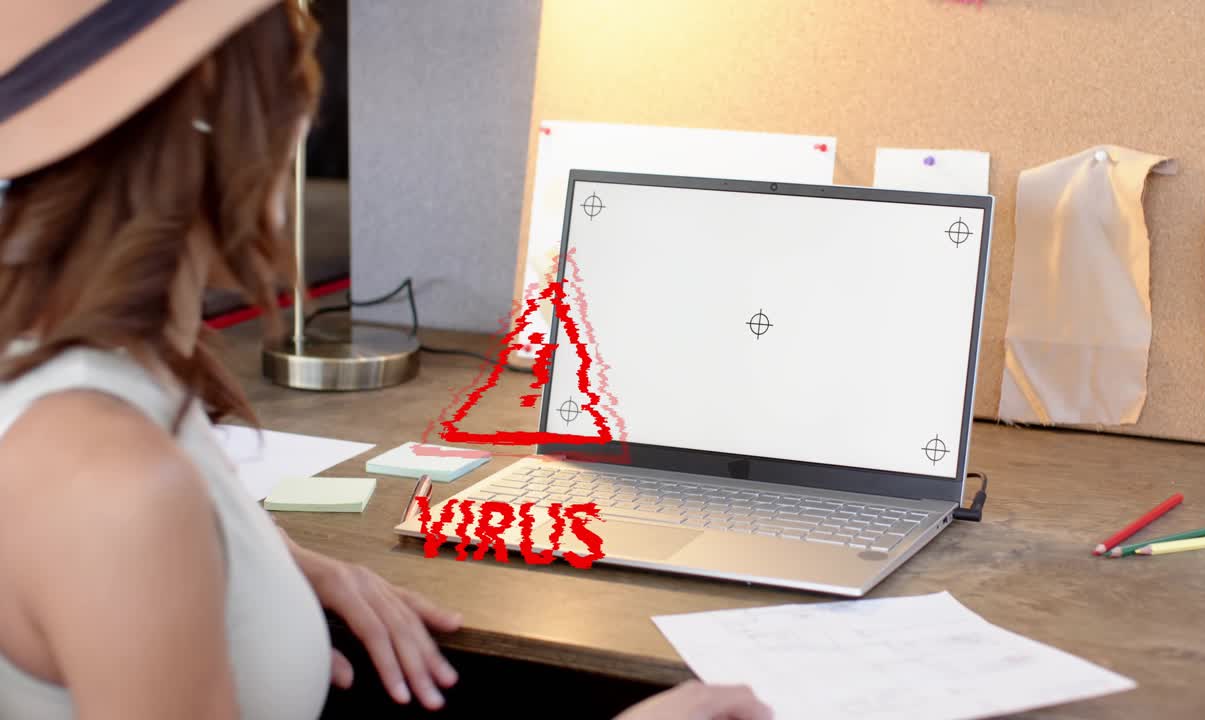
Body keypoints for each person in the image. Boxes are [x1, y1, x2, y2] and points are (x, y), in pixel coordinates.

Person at [0, 2, 772, 719]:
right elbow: (122, 517)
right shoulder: (117, 487)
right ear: (213, 129)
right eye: (290, 88)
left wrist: (279, 566)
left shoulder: (101, 372)